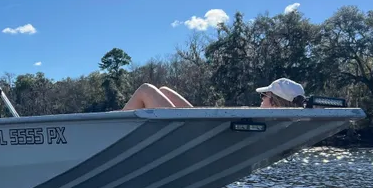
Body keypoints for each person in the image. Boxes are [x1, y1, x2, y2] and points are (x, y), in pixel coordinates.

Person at [122, 77, 305, 110]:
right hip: (197, 136)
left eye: (264, 96)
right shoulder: (281, 124)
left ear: (273, 101)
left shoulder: (265, 119)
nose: (261, 100)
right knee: (163, 91)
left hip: (190, 140)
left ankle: (118, 135)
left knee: (146, 89)